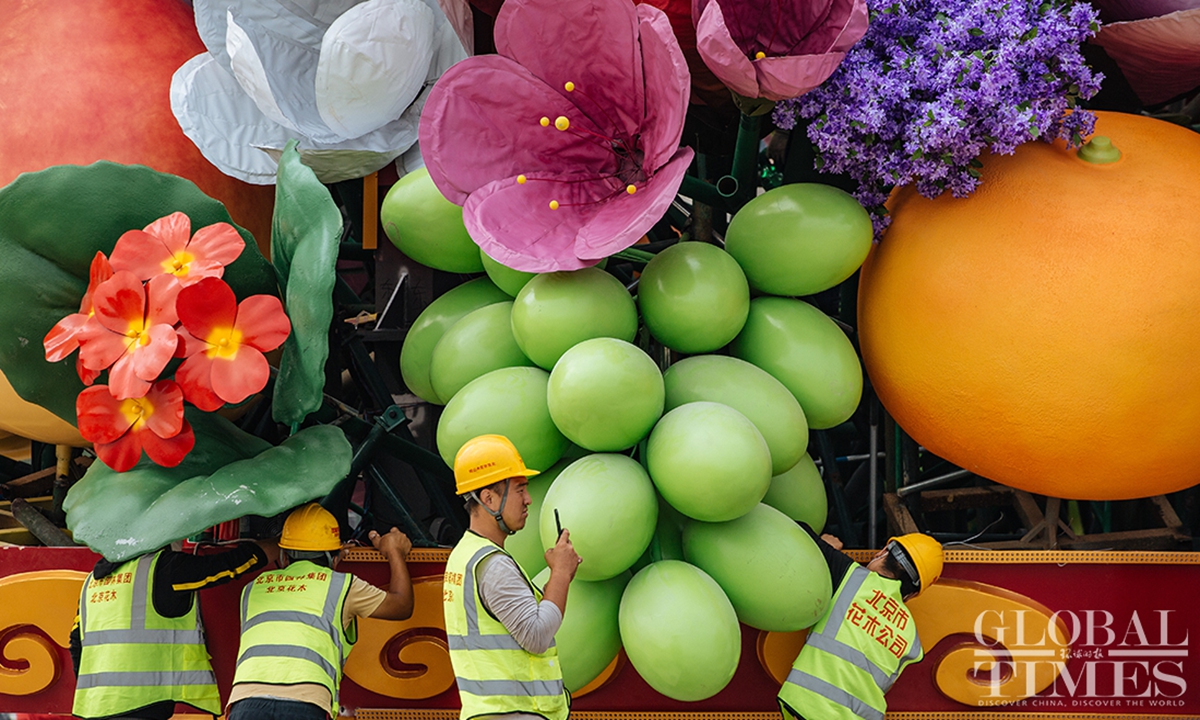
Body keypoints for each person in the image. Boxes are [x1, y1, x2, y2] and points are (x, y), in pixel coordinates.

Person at [226, 503, 414, 720]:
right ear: (335, 558)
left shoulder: (253, 587)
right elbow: (401, 605)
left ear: (284, 556)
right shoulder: (342, 585)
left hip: (245, 701)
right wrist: (395, 551)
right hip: (305, 702)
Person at [443, 434, 581, 720]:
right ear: (488, 498)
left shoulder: (466, 555)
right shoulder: (493, 566)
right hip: (515, 712)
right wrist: (561, 573)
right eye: (520, 490)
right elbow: (536, 635)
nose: (528, 500)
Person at [71, 537, 279, 720]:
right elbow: (227, 566)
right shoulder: (162, 568)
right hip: (141, 707)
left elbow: (75, 643)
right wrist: (280, 543)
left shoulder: (92, 582)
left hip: (95, 707)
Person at [777, 527, 944, 720]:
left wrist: (824, 547)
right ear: (912, 594)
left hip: (812, 708)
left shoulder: (851, 577)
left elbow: (794, 529)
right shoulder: (910, 636)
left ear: (883, 552)